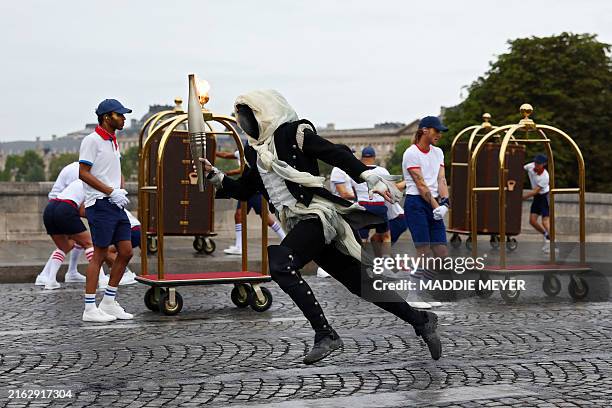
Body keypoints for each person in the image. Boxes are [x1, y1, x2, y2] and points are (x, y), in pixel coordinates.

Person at [201, 90, 441, 364]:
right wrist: (214, 175)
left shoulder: (294, 133)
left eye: (247, 117)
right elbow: (246, 190)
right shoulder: (253, 150)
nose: (244, 124)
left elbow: (334, 153)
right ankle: (421, 320)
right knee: (360, 283)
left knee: (281, 263)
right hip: (298, 222)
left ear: (263, 113)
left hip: (318, 215)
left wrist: (365, 175)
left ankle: (325, 333)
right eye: (240, 119)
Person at [78, 99, 134, 323]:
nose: (124, 118)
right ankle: (89, 308)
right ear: (107, 117)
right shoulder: (92, 140)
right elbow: (83, 172)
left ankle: (109, 302)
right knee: (100, 254)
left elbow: (112, 170)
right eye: (120, 115)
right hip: (100, 204)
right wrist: (111, 191)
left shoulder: (113, 141)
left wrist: (119, 189)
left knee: (126, 251)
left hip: (114, 203)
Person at [402, 116, 450, 309]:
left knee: (441, 252)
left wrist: (446, 203)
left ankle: (425, 290)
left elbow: (442, 180)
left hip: (433, 202)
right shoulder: (411, 153)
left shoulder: (438, 152)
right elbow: (421, 185)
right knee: (424, 251)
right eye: (436, 131)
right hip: (416, 203)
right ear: (424, 130)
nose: (439, 134)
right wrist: (436, 206)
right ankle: (412, 294)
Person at [216, 148, 287, 255]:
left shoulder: (254, 154)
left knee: (265, 218)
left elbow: (243, 170)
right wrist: (213, 152)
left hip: (254, 191)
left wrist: (226, 173)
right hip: (248, 189)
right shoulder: (243, 152)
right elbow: (226, 155)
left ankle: (285, 238)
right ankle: (239, 246)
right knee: (239, 215)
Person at [35, 162, 87, 285]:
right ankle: (48, 275)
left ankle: (54, 275)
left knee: (72, 243)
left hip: (58, 205)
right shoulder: (81, 171)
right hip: (64, 206)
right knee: (85, 241)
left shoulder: (74, 167)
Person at [40, 179, 96, 290]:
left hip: (50, 208)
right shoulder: (93, 184)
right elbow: (82, 211)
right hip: (66, 208)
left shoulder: (75, 182)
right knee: (89, 244)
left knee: (65, 246)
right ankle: (102, 278)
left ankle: (50, 280)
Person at [353, 147, 392, 247]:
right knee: (386, 236)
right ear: (374, 157)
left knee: (362, 239)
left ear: (362, 158)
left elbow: (352, 190)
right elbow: (390, 190)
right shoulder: (383, 171)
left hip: (362, 208)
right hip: (379, 207)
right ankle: (385, 260)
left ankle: (363, 260)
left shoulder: (355, 170)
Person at [523, 154, 551, 252]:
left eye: (538, 163)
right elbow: (520, 169)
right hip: (537, 197)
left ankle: (552, 242)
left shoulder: (545, 176)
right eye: (535, 162)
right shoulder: (530, 166)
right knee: (532, 221)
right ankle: (546, 235)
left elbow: (535, 191)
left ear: (544, 164)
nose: (536, 165)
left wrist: (522, 197)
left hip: (544, 196)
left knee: (545, 221)